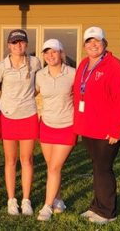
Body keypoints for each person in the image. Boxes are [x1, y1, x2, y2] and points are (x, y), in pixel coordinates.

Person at [73, 26, 120, 224]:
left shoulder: (115, 66)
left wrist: (117, 129)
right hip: (88, 127)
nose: (93, 44)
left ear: (104, 43)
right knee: (97, 167)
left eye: (97, 40)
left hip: (108, 130)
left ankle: (108, 212)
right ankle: (97, 206)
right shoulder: (83, 65)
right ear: (84, 45)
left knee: (104, 168)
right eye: (89, 41)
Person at [0, 29, 41, 216]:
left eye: (21, 42)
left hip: (28, 115)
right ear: (8, 45)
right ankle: (12, 199)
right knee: (10, 160)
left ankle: (26, 200)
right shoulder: (1, 66)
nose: (18, 45)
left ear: (26, 44)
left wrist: (26, 98)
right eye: (14, 43)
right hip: (7, 116)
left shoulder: (35, 62)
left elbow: (38, 86)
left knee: (27, 159)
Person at [35, 39, 77, 221]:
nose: (50, 55)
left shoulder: (72, 74)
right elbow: (31, 93)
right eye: (46, 52)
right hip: (46, 125)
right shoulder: (40, 75)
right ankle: (58, 199)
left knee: (54, 167)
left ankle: (47, 206)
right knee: (52, 167)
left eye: (54, 52)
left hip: (67, 125)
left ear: (61, 53)